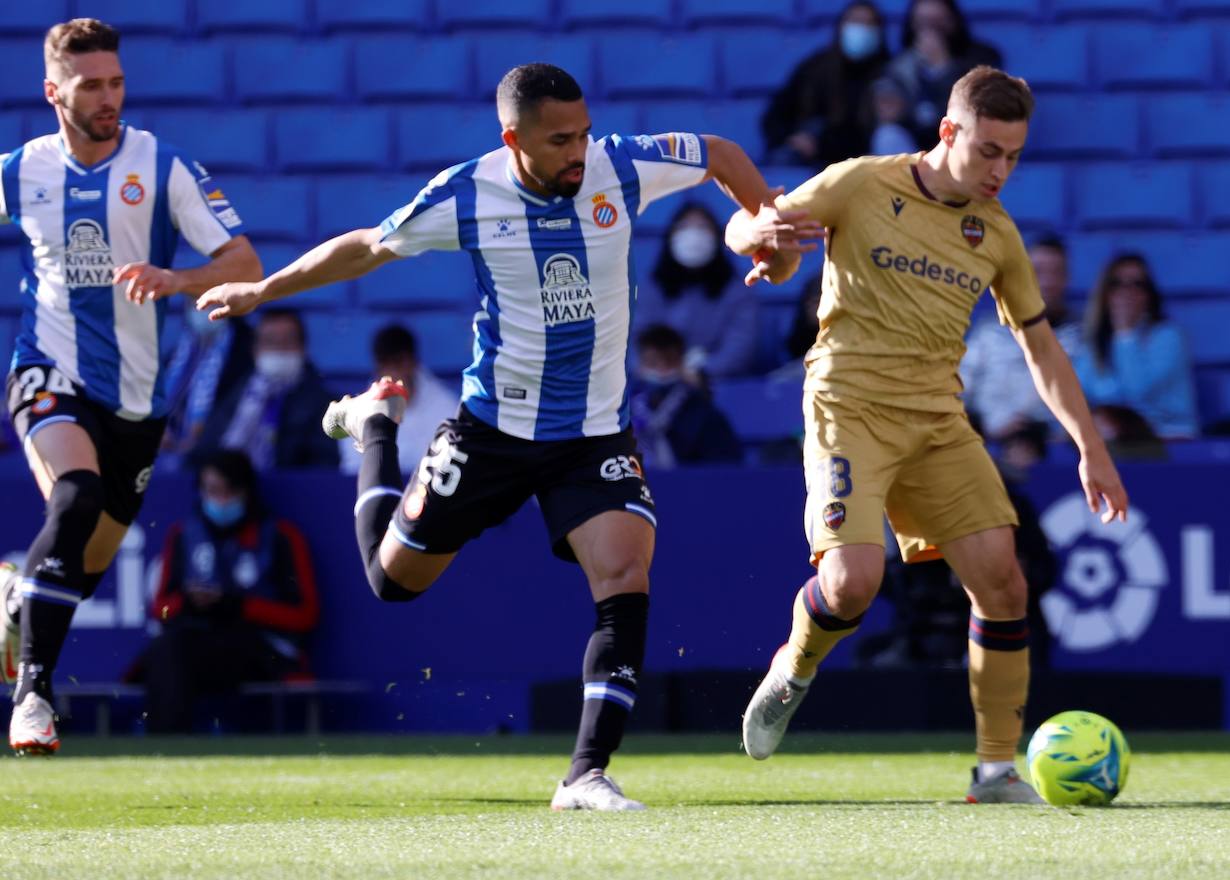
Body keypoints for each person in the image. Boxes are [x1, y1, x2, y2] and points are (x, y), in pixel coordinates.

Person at [197, 64, 817, 810]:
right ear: (512, 139)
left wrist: (765, 215)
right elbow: (366, 246)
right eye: (560, 140)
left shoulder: (620, 166)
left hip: (592, 434)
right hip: (492, 429)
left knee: (625, 574)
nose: (578, 153)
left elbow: (716, 151)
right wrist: (262, 291)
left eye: (583, 133)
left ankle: (585, 774)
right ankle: (373, 429)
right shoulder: (467, 193)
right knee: (393, 582)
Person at [725, 65, 1128, 803]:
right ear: (949, 131)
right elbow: (748, 225)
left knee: (1004, 583)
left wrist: (1090, 449)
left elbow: (1042, 349)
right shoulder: (861, 183)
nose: (1000, 171)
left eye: (1013, 156)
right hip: (848, 406)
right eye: (988, 152)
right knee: (852, 585)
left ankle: (996, 771)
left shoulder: (995, 232)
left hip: (938, 420)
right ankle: (795, 667)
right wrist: (761, 231)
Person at [0, 18, 262, 755]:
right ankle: (33, 699)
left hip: (139, 404)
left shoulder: (163, 167)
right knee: (74, 496)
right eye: (92, 85)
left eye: (117, 82)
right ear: (54, 92)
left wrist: (176, 278)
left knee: (81, 569)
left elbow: (243, 261)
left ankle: (16, 599)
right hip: (48, 368)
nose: (110, 96)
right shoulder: (21, 171)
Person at [138, 449, 319, 733]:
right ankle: (166, 745)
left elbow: (305, 615)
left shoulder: (281, 537)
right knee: (169, 648)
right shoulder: (184, 535)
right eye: (212, 490)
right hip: (196, 642)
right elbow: (159, 609)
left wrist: (237, 606)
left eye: (228, 491)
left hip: (261, 650)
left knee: (179, 651)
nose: (220, 500)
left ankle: (169, 744)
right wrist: (189, 602)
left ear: (245, 491)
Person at [961, 235, 1081, 442]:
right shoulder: (988, 333)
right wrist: (989, 424)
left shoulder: (1081, 338)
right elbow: (958, 391)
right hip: (982, 443)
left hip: (1049, 448)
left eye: (1056, 273)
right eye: (1038, 272)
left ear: (1066, 279)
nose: (1047, 283)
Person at [193, 308, 340, 470]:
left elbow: (324, 464)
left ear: (303, 348)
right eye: (270, 342)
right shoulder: (232, 393)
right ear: (255, 350)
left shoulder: (322, 404)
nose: (279, 349)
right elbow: (204, 452)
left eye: (287, 342)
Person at [1073, 253, 1199, 439]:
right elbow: (1082, 394)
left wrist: (1126, 335)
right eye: (1117, 284)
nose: (1127, 292)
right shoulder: (1095, 341)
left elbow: (1136, 391)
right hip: (1113, 438)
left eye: (1137, 284)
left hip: (1167, 439)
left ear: (1149, 294)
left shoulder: (1168, 337)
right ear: (1105, 293)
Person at [636, 202, 758, 379]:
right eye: (684, 227)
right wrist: (658, 369)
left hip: (717, 387)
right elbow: (634, 343)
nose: (693, 235)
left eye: (702, 227)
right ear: (671, 236)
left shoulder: (738, 292)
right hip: (655, 384)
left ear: (717, 237)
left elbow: (740, 348)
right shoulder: (650, 288)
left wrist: (702, 370)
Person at [762, 1, 891, 168]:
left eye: (868, 24)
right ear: (841, 27)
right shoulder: (815, 68)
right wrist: (793, 138)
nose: (861, 30)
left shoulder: (889, 73)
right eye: (855, 22)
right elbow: (774, 117)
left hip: (865, 164)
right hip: (813, 161)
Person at [339, 324, 460, 477]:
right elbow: (353, 472)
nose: (392, 371)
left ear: (413, 362)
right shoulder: (357, 413)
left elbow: (449, 469)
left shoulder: (447, 407)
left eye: (398, 362)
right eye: (385, 363)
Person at [885, 0, 1003, 150]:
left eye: (937, 22)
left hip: (962, 138)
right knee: (888, 135)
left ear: (954, 21)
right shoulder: (901, 64)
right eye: (923, 22)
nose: (929, 31)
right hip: (915, 144)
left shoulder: (982, 58)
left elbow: (978, 110)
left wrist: (942, 67)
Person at [629, 324, 743, 468]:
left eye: (670, 361)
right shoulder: (622, 415)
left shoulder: (705, 415)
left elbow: (724, 470)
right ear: (640, 367)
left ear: (683, 365)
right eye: (652, 362)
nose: (661, 370)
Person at [160, 303, 256, 467]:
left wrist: (198, 442)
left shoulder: (249, 353)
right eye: (194, 296)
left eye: (209, 291)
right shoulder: (178, 352)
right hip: (167, 457)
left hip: (217, 461)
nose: (203, 303)